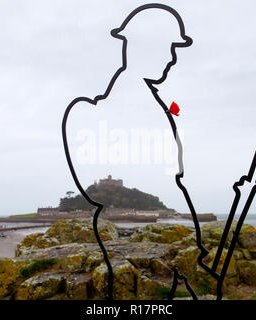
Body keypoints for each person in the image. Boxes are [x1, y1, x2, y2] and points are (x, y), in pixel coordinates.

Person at [62, 4, 205, 300]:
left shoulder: (156, 105)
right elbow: (173, 180)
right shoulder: (89, 113)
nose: (173, 57)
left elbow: (177, 178)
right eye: (169, 47)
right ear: (139, 47)